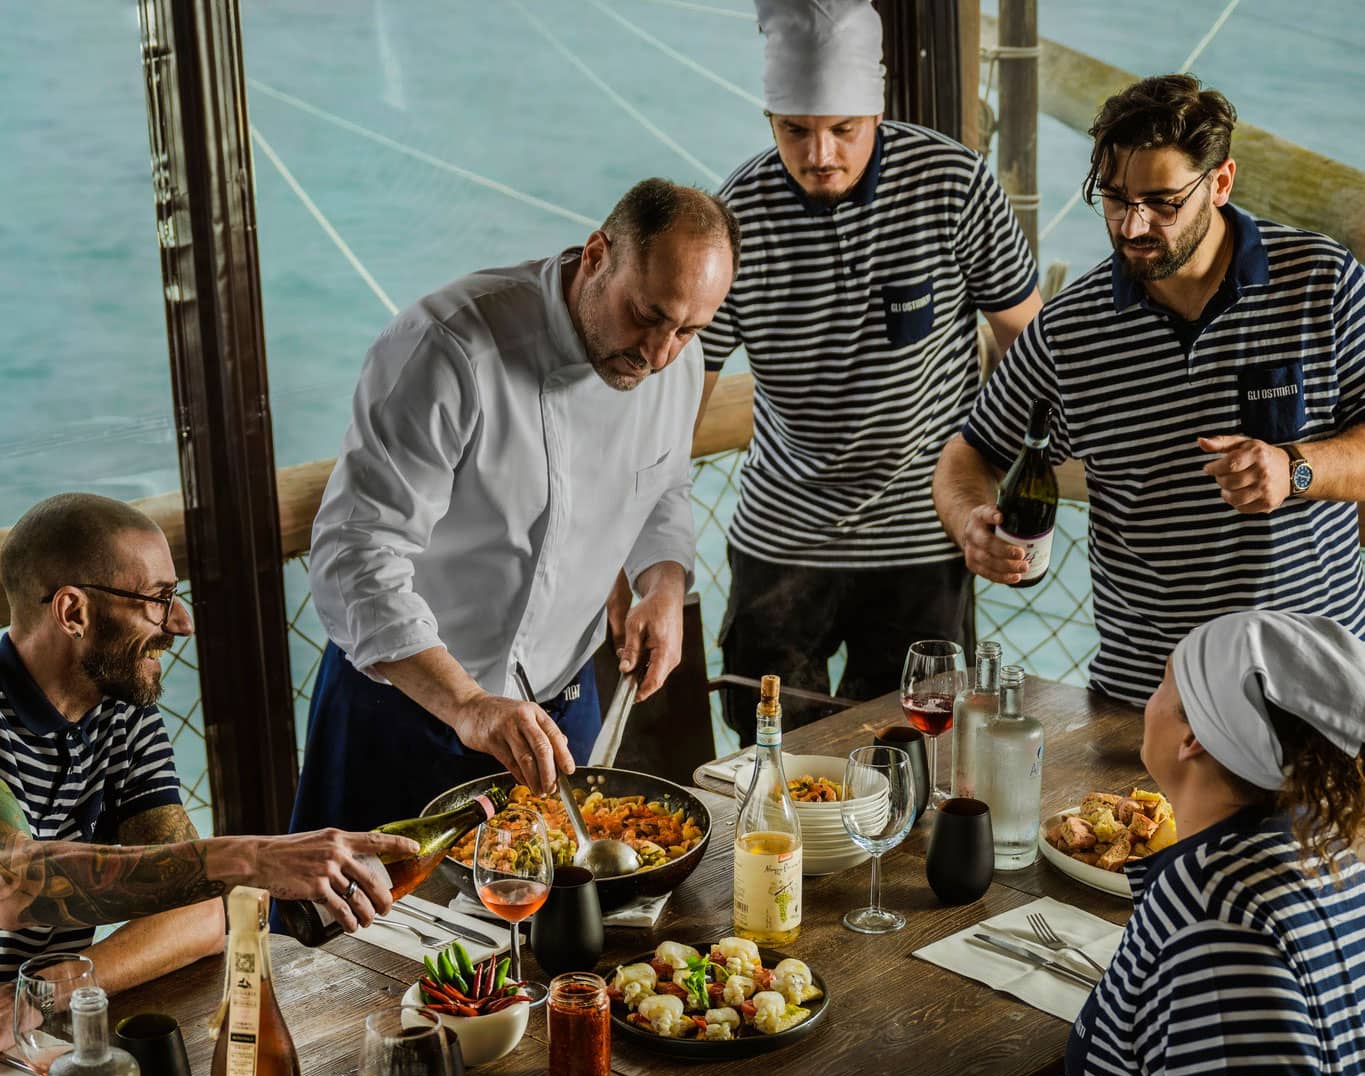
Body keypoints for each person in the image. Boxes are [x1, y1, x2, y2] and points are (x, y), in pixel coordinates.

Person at [862, 608, 1365, 1076]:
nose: (1151, 698)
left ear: (1195, 736)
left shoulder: (1217, 911)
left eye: (1166, 680)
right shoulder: (1318, 848)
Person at [292, 178, 739, 838]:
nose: (659, 354)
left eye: (687, 329)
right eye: (645, 316)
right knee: (352, 932)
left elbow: (663, 487)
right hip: (407, 704)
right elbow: (354, 557)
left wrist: (662, 585)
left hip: (559, 708)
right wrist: (468, 703)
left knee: (549, 919)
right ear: (595, 255)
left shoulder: (675, 357)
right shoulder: (447, 347)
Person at [934, 74, 1365, 707]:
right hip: (1147, 703)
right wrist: (972, 521)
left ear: (1220, 183)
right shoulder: (1070, 328)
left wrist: (1296, 469)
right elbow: (967, 455)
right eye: (1113, 198)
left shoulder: (1323, 283)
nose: (1133, 224)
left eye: (1162, 201)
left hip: (1312, 691)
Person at [696, 0, 1040, 741]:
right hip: (781, 536)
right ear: (767, 119)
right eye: (795, 130)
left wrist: (1004, 477)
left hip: (923, 535)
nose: (819, 152)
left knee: (913, 757)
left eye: (842, 130)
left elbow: (1027, 342)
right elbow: (678, 394)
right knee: (771, 763)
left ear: (875, 115)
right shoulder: (734, 214)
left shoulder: (954, 184)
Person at [0, 493, 420, 1037]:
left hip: (30, 1027)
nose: (181, 622)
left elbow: (201, 913)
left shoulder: (120, 708)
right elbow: (16, 884)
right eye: (157, 598)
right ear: (73, 612)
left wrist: (53, 991)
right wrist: (251, 858)